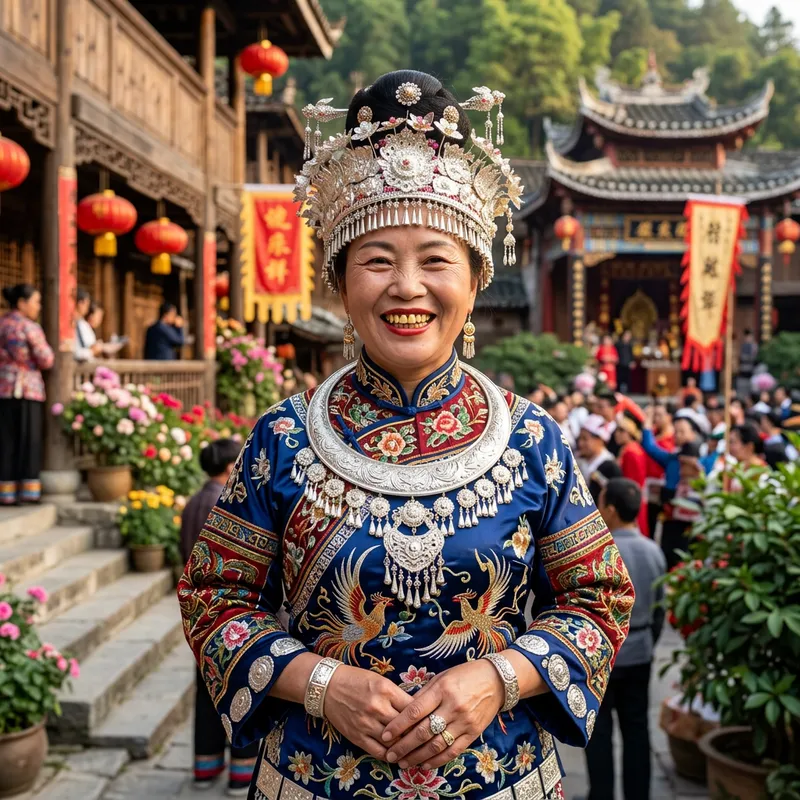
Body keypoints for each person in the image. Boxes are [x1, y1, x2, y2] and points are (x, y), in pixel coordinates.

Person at [178, 70, 634, 800]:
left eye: (435, 260)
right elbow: (213, 599)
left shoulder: (533, 439)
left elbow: (600, 600)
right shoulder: (281, 439)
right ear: (340, 280)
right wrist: (321, 683)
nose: (407, 288)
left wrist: (498, 677)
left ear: (477, 278)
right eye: (378, 260)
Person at [180, 439, 259, 796]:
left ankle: (205, 766)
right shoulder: (227, 503)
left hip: (200, 615)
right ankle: (241, 773)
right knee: (240, 689)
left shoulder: (194, 501)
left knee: (206, 689)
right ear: (231, 467)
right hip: (231, 612)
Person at [585, 478, 667, 800]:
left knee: (599, 731)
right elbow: (660, 609)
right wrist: (647, 641)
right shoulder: (653, 550)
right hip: (640, 652)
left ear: (612, 510)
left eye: (603, 503)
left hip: (602, 657)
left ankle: (600, 794)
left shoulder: (599, 551)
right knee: (637, 730)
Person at [0, 284, 54, 505]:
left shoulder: (2, 323)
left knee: (5, 441)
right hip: (27, 389)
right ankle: (28, 491)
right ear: (22, 303)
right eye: (36, 301)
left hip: (3, 388)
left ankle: (5, 492)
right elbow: (46, 359)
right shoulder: (29, 327)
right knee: (29, 440)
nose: (38, 307)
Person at [614, 405, 649, 537]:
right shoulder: (629, 449)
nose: (617, 434)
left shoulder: (631, 452)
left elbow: (631, 481)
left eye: (621, 431)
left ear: (630, 433)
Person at [644, 403, 674, 538]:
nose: (656, 418)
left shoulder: (671, 440)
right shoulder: (655, 434)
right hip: (648, 487)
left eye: (660, 415)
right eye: (655, 415)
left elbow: (650, 447)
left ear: (669, 417)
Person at [577, 414, 615, 480]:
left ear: (599, 440)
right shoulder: (578, 459)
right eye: (579, 439)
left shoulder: (609, 464)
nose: (580, 443)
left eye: (585, 439)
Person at [73, 288, 103, 362]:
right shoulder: (77, 324)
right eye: (86, 305)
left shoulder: (80, 324)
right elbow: (75, 352)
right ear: (80, 304)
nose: (87, 310)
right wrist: (92, 351)